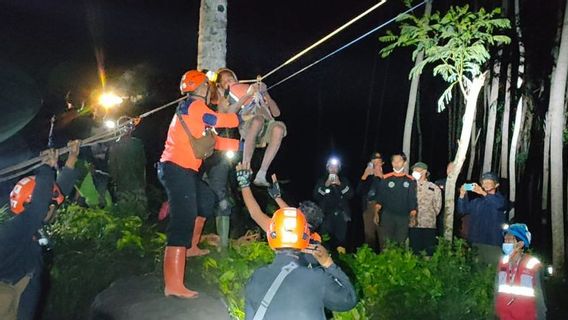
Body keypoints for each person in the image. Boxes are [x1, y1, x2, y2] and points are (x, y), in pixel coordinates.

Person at [158, 69, 242, 298]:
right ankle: (173, 284)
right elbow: (218, 120)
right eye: (207, 85)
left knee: (206, 199)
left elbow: (212, 141)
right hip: (175, 169)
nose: (209, 88)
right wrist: (238, 117)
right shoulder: (194, 106)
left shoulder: (193, 110)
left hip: (184, 170)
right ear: (201, 87)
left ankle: (191, 247)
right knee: (182, 219)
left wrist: (239, 148)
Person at [0, 141, 81, 320]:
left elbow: (56, 195)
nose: (56, 211)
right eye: (52, 206)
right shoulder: (16, 230)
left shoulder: (24, 224)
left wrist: (71, 159)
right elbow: (41, 205)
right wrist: (46, 168)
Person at [243, 207, 357, 320]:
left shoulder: (256, 277)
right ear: (306, 236)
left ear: (271, 236)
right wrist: (328, 264)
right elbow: (349, 300)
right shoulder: (317, 278)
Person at [236, 165, 324, 267]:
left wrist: (244, 184)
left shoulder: (285, 235)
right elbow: (295, 219)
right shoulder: (315, 241)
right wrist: (277, 197)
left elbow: (255, 213)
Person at [217, 68, 286, 186]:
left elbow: (276, 113)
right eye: (225, 81)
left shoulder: (251, 89)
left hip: (266, 125)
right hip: (248, 124)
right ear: (221, 86)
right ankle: (246, 167)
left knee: (279, 128)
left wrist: (265, 93)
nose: (229, 81)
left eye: (231, 78)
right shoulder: (226, 97)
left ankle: (262, 174)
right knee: (257, 120)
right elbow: (228, 114)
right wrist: (247, 95)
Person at [495, 223, 546, 320]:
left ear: (521, 243)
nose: (506, 243)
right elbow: (496, 293)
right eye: (505, 240)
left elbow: (540, 300)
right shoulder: (502, 263)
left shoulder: (532, 265)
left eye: (510, 240)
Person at [457, 172, 507, 265]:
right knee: (475, 273)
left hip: (493, 244)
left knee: (491, 274)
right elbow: (462, 210)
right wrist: (462, 195)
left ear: (496, 185)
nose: (485, 184)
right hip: (476, 243)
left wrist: (482, 192)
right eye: (484, 182)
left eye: (489, 182)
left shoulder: (500, 200)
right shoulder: (476, 201)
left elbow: (499, 205)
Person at [372, 152, 417, 249]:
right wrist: (376, 213)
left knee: (400, 245)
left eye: (399, 161)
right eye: (394, 161)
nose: (396, 163)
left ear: (404, 163)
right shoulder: (386, 178)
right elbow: (380, 198)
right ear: (391, 163)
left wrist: (413, 216)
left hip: (403, 218)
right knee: (386, 244)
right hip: (388, 216)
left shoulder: (410, 180)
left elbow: (412, 200)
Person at [313, 157, 354, 252]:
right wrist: (326, 185)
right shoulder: (322, 180)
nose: (333, 169)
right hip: (326, 216)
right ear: (327, 168)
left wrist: (340, 184)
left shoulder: (344, 180)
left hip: (341, 215)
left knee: (341, 241)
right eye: (331, 167)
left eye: (335, 167)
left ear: (339, 169)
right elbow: (316, 196)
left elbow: (351, 195)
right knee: (325, 240)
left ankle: (342, 261)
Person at [408, 162, 442, 256]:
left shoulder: (434, 188)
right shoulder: (410, 186)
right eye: (413, 170)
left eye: (417, 170)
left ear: (424, 171)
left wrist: (429, 214)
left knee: (429, 252)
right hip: (413, 224)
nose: (414, 172)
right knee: (414, 252)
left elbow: (437, 207)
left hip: (429, 225)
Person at [356, 152, 384, 251]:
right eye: (374, 163)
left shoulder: (386, 177)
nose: (376, 165)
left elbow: (389, 193)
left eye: (378, 163)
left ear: (382, 163)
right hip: (368, 207)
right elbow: (358, 192)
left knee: (383, 236)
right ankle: (369, 258)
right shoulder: (367, 177)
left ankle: (386, 259)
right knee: (369, 235)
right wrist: (364, 175)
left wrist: (381, 177)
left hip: (382, 208)